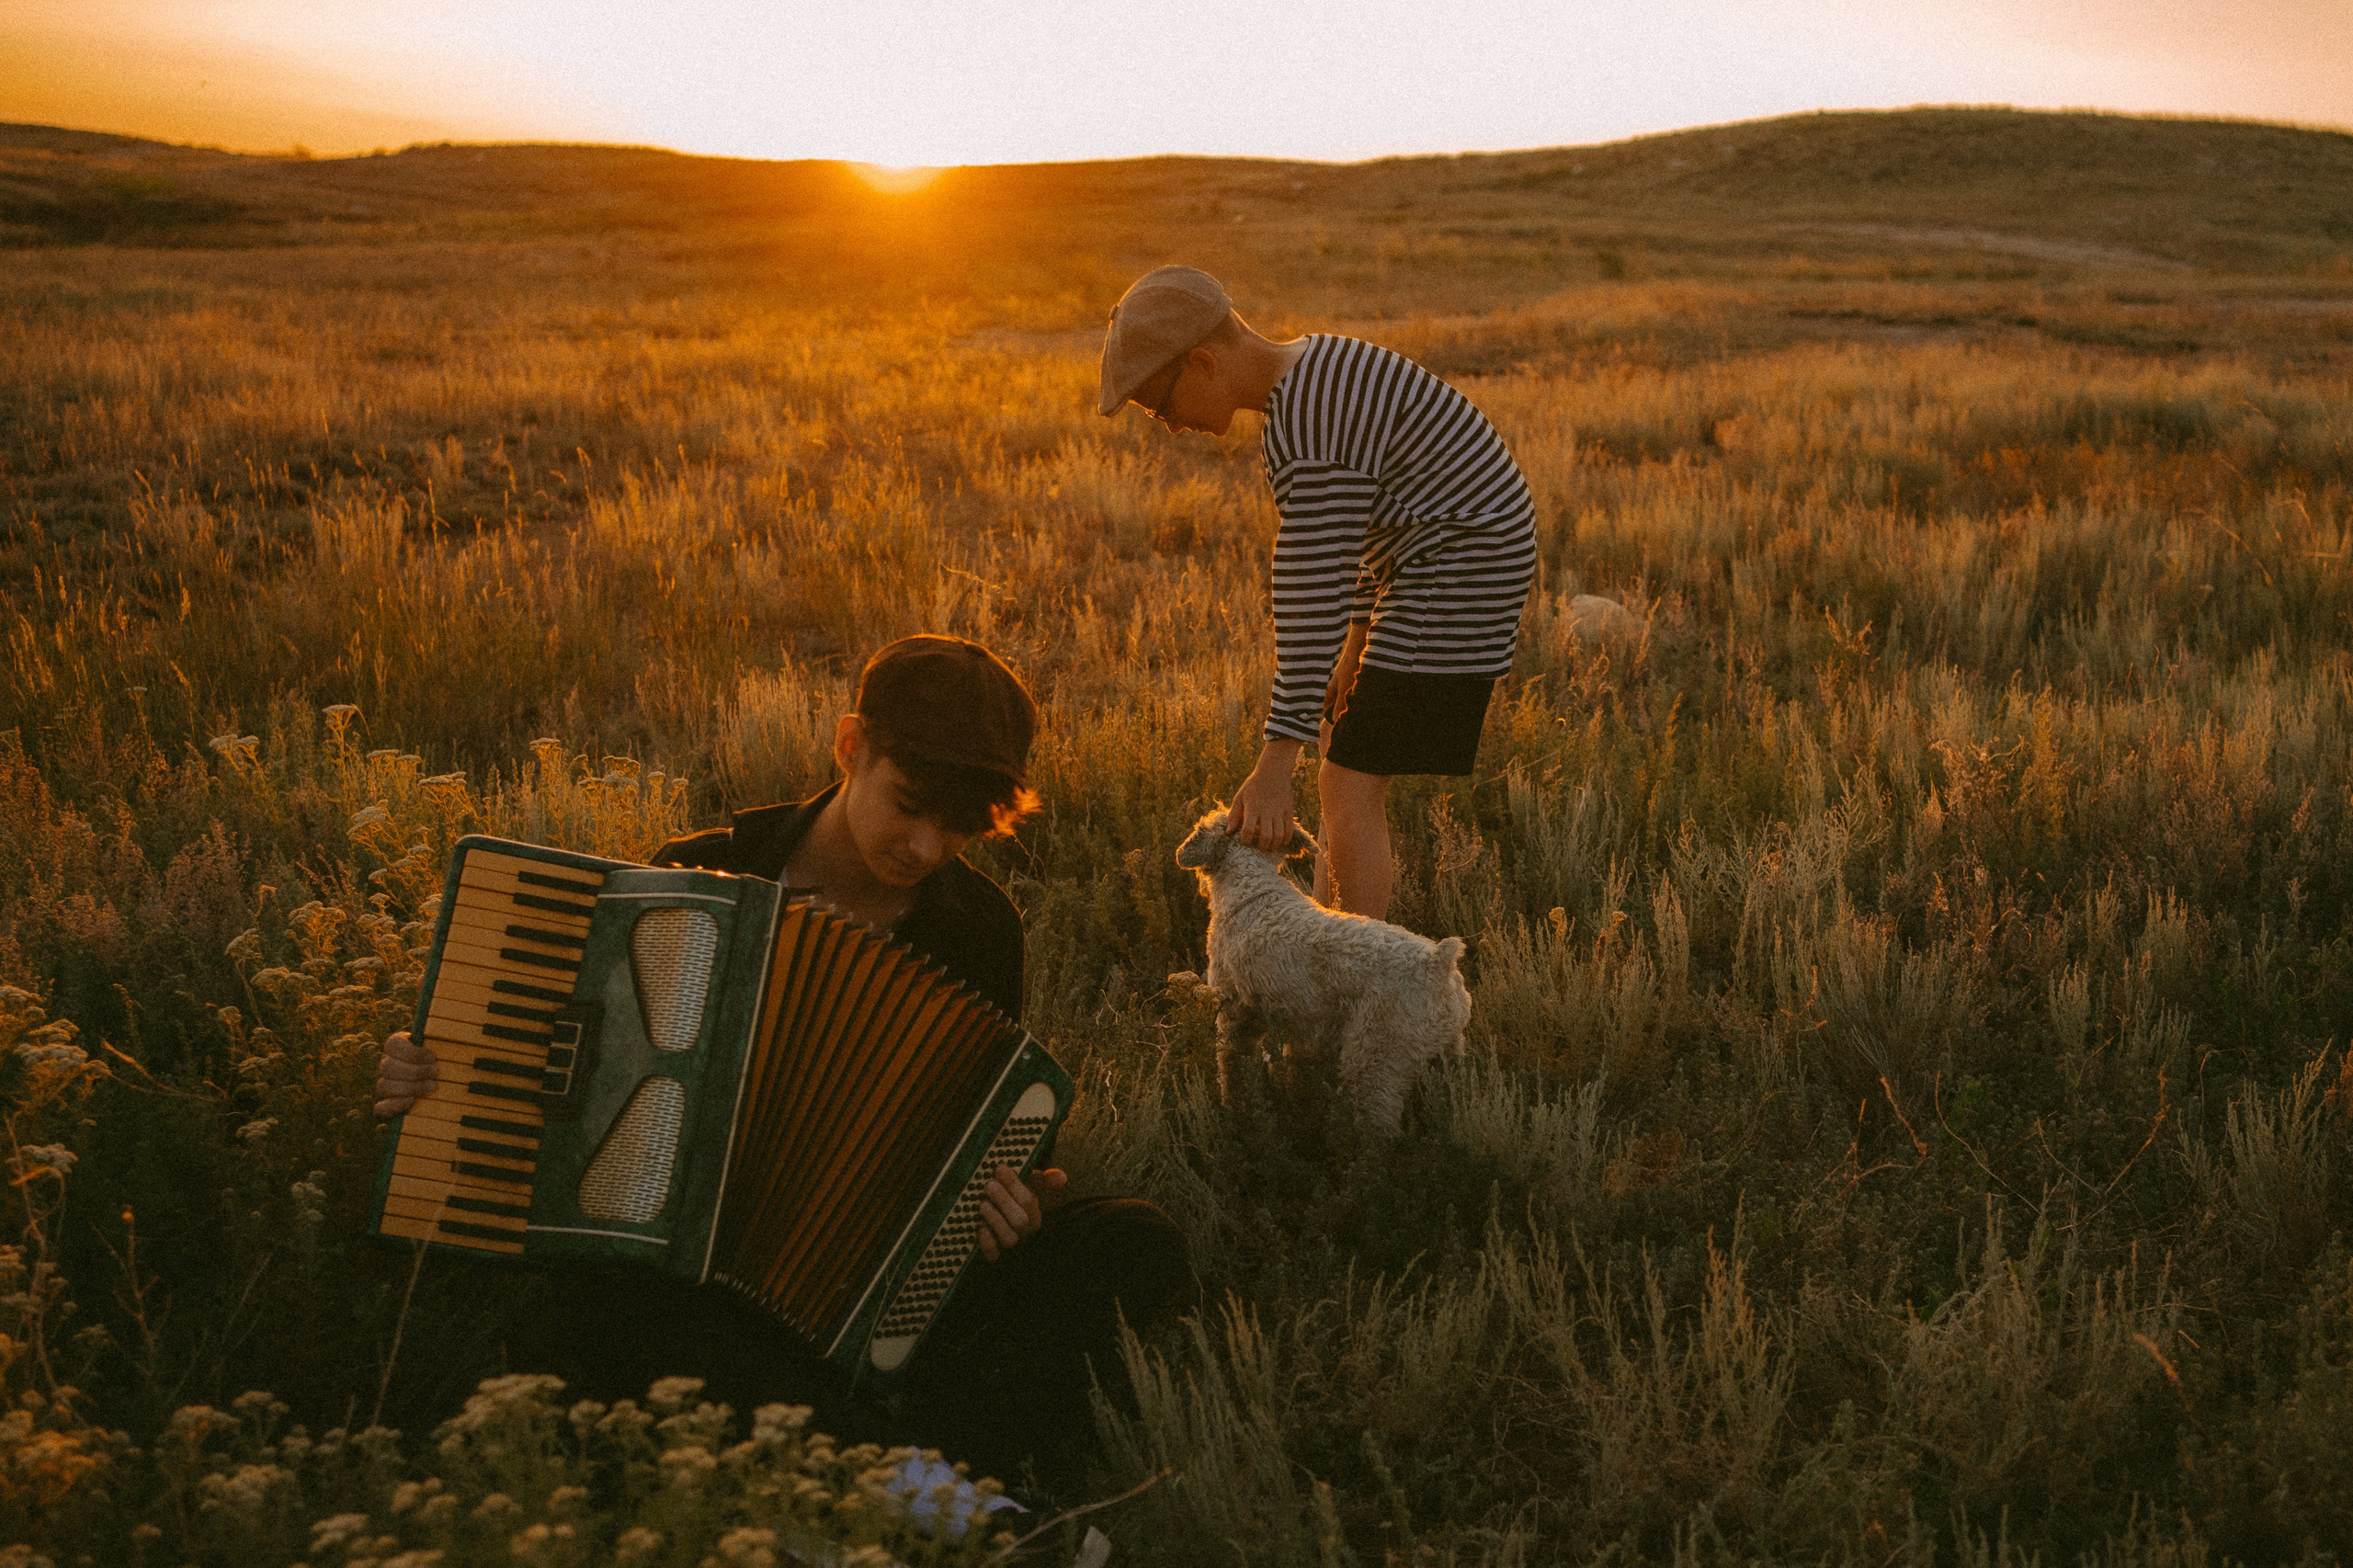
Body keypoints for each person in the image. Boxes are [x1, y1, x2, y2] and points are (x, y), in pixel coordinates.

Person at [374, 635, 1197, 1491]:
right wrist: (446, 1072)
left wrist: (1006, 1209)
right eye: (909, 804)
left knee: (1133, 1241)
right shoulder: (697, 873)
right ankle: (933, 1491)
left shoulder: (980, 930)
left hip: (880, 1291)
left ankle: (873, 1475)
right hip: (689, 1280)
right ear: (850, 748)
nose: (925, 846)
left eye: (959, 827)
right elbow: (567, 1060)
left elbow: (977, 1139)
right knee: (621, 1308)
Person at [1100, 266, 1539, 919]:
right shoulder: (1314, 370)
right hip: (1440, 558)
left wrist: (1277, 759)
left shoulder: (1304, 430)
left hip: (1460, 566)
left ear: (1200, 363)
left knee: (1346, 779)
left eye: (1158, 404)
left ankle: (1356, 978)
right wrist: (1356, 644)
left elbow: (1313, 593)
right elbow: (1375, 523)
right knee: (1342, 746)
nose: (1167, 424)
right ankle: (1330, 940)